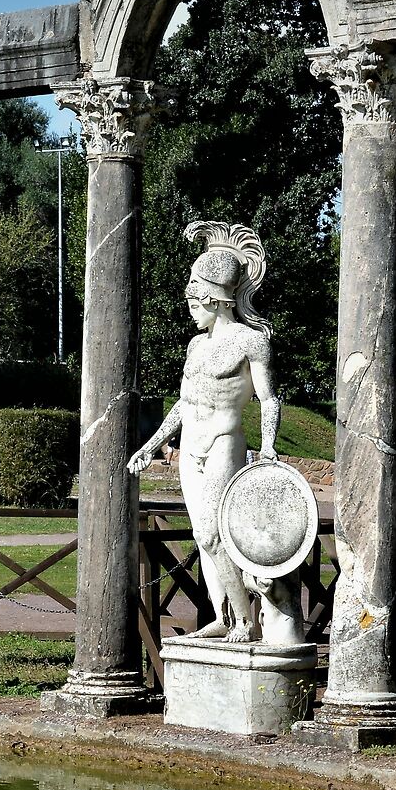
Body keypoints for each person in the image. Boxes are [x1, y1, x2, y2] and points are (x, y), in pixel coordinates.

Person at [126, 221, 282, 642]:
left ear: (215, 298)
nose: (190, 308)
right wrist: (151, 445)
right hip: (191, 447)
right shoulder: (196, 346)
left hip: (224, 443)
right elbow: (185, 403)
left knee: (215, 532)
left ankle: (246, 621)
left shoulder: (251, 341)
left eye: (195, 300)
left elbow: (269, 399)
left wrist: (269, 445)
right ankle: (222, 616)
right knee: (203, 537)